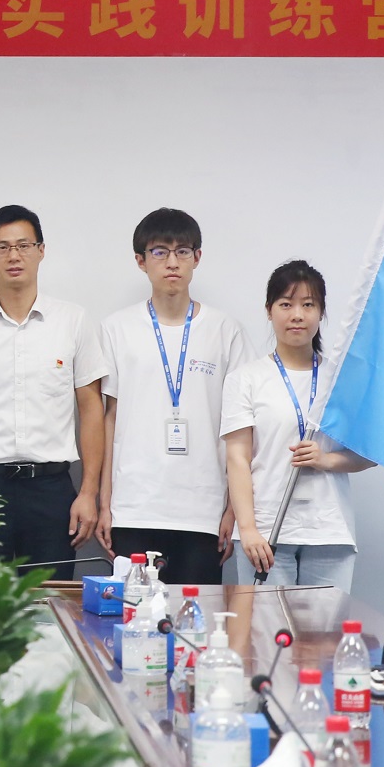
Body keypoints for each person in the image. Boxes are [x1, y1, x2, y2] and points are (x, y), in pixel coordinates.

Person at [0, 204, 105, 579]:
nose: (14, 256)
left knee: (49, 604)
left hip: (51, 490)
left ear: (41, 250)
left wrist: (88, 492)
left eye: (24, 245)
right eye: (3, 247)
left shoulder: (73, 321)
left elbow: (91, 409)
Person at [97, 209, 254, 586]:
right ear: (141, 261)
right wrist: (105, 504)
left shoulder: (225, 330)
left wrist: (233, 510)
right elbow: (109, 418)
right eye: (159, 252)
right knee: (132, 616)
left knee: (196, 618)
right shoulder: (116, 329)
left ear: (197, 257)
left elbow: (241, 428)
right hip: (134, 507)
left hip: (203, 511)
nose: (172, 262)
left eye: (182, 251)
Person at [222, 260, 374, 592]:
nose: (297, 315)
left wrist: (327, 460)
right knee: (267, 625)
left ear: (321, 313)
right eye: (286, 304)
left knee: (325, 626)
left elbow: (372, 452)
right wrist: (247, 529)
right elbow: (237, 459)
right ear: (269, 310)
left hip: (329, 531)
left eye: (308, 305)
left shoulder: (341, 379)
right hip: (266, 533)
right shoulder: (245, 380)